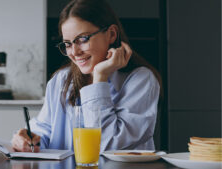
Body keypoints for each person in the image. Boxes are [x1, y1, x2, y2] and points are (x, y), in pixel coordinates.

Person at [11, 0, 162, 153]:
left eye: (82, 39)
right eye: (68, 44)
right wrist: (28, 139)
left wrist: (100, 77)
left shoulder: (141, 80)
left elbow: (107, 145)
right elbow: (44, 131)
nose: (75, 52)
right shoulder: (60, 80)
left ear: (111, 34)